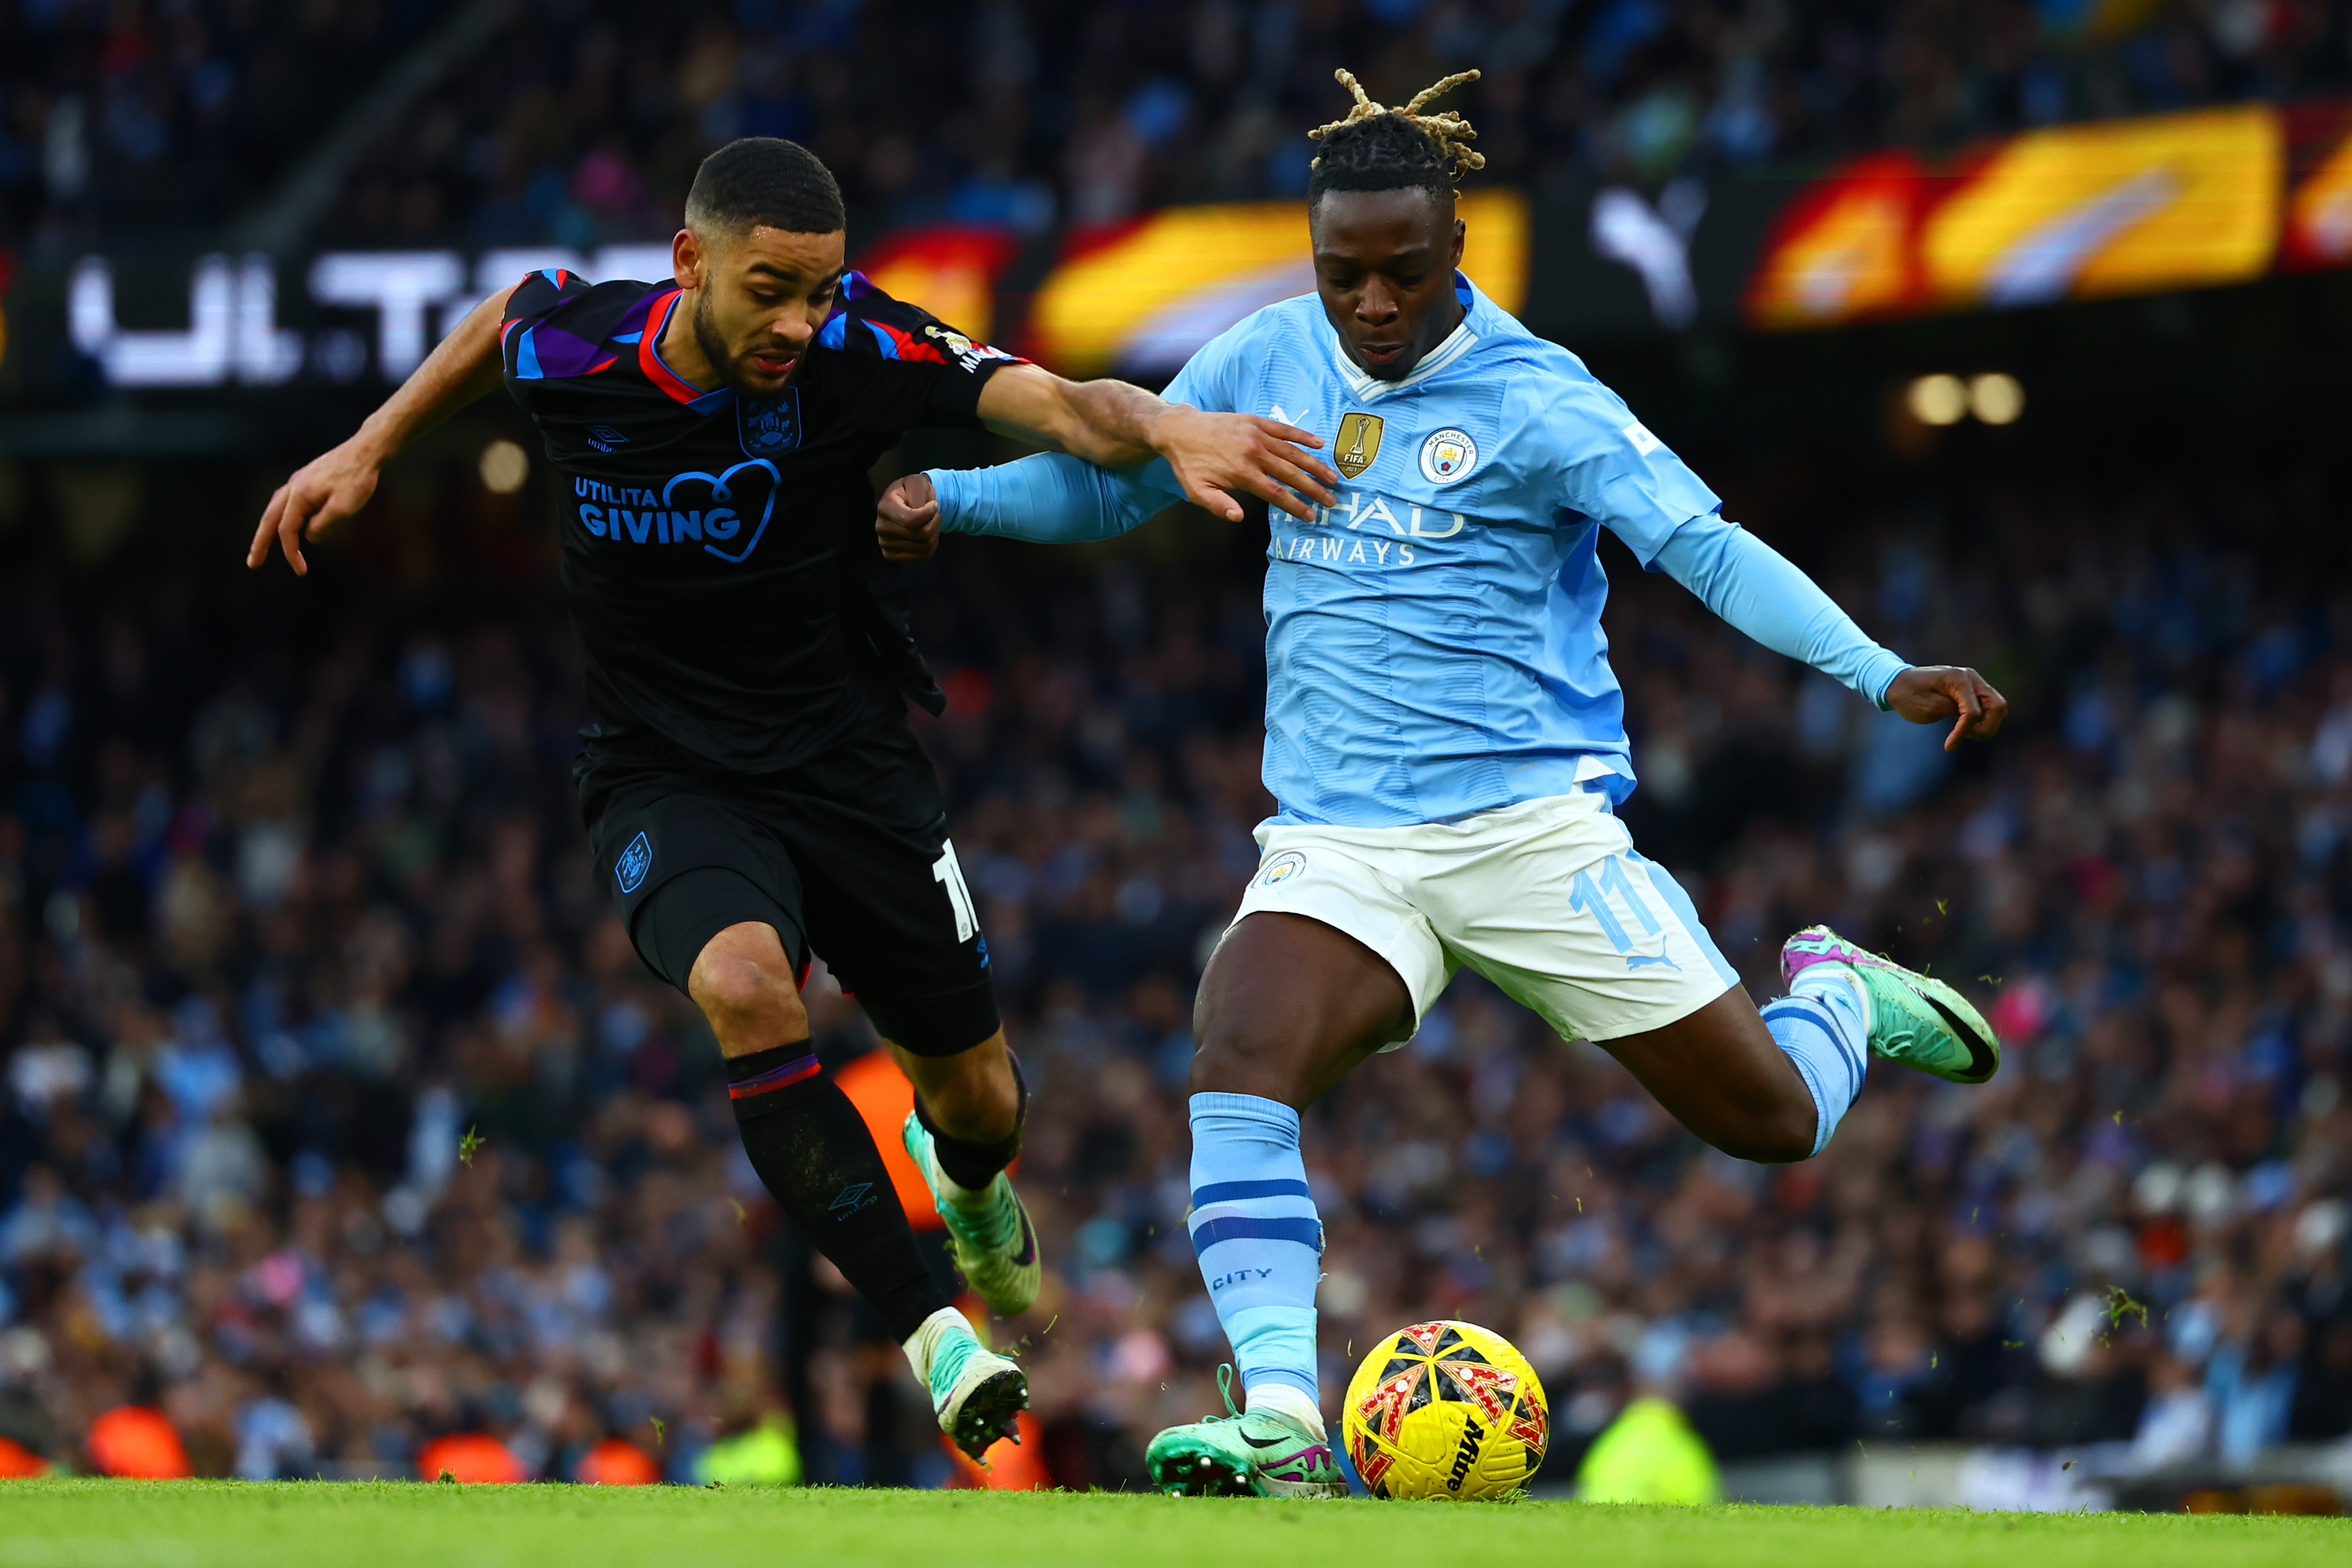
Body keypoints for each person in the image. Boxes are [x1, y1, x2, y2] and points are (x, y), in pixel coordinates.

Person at [874, 70, 2010, 1495]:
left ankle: (1839, 990)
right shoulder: (1266, 358)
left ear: (1458, 249)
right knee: (1238, 1051)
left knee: (1772, 1123)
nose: (1373, 303)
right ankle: (1283, 1419)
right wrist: (949, 496)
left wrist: (1876, 669)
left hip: (1530, 830)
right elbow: (1116, 484)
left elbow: (1706, 547)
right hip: (1341, 843)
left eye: (1404, 272)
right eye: (1343, 272)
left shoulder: (1544, 400)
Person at [248, 136, 1342, 1461]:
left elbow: (1052, 402)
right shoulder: (584, 352)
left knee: (982, 1099)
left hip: (850, 771)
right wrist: (369, 446)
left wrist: (1170, 425)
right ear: (690, 262)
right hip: (665, 771)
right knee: (748, 990)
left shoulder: (861, 348)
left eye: (820, 290)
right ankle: (936, 1332)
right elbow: (502, 317)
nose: (797, 323)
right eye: (770, 289)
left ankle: (973, 1180)